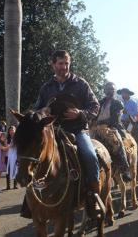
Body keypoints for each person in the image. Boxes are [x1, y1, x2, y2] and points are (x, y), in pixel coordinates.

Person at [33, 50, 101, 218]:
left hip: (77, 130)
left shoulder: (81, 84)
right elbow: (36, 109)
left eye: (66, 63)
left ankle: (94, 197)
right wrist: (42, 110)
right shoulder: (46, 87)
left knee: (90, 155)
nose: (64, 67)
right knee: (33, 155)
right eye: (60, 63)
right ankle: (31, 200)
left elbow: (95, 106)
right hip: (52, 132)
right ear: (53, 64)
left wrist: (80, 113)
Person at [96, 82, 132, 182]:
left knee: (118, 142)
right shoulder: (100, 102)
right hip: (97, 127)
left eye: (112, 89)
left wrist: (100, 122)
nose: (110, 90)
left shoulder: (118, 103)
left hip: (113, 127)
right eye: (107, 88)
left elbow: (114, 120)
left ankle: (125, 169)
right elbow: (94, 114)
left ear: (115, 91)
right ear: (104, 90)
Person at [6, 126, 18, 190]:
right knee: (8, 170)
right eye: (10, 130)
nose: (11, 131)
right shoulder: (7, 138)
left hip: (15, 155)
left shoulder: (17, 138)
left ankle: (15, 185)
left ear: (15, 130)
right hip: (9, 156)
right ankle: (8, 185)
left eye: (12, 130)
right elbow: (7, 146)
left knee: (15, 170)